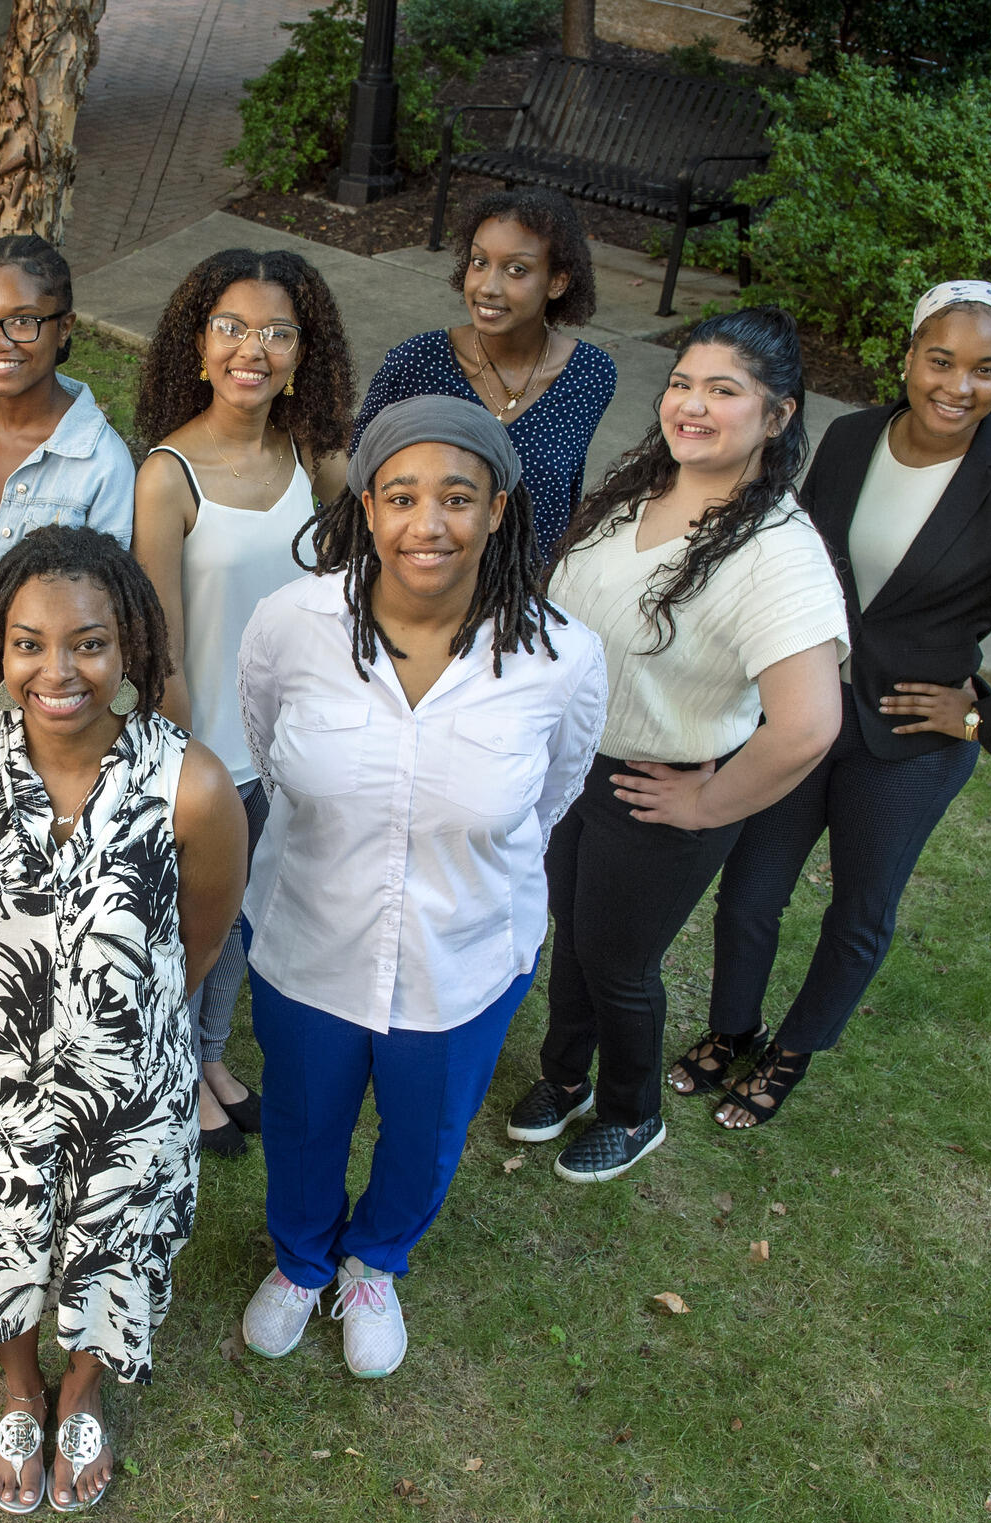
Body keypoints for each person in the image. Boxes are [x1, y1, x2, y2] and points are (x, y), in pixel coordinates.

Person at [672, 281, 991, 1126]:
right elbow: (794, 565)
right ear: (910, 355)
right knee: (749, 891)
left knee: (859, 907)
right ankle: (732, 1029)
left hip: (910, 742)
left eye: (985, 370)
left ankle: (795, 1048)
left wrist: (985, 716)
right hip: (806, 715)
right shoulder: (851, 439)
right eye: (942, 360)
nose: (958, 386)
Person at [236, 395, 605, 1377]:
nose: (426, 523)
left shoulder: (562, 657)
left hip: (465, 956)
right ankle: (302, 1260)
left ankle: (373, 1261)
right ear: (365, 506)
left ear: (497, 507)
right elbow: (270, 751)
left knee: (427, 1132)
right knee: (304, 1117)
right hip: (310, 940)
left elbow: (553, 793)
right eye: (400, 496)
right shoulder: (291, 622)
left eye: (455, 496)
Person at [0, 527, 246, 1514]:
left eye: (89, 643)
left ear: (131, 648)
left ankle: (83, 1387)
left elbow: (199, 942)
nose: (58, 669)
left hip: (124, 1082)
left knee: (114, 1236)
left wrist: (110, 1029)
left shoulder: (193, 785)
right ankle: (19, 1383)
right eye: (29, 642)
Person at [511, 306, 850, 1185]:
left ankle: (633, 1113)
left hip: (658, 785)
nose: (691, 405)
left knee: (619, 961)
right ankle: (565, 1075)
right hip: (576, 766)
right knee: (573, 933)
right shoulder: (642, 485)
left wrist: (703, 802)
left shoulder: (779, 553)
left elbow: (809, 724)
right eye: (681, 384)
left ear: (777, 416)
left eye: (723, 391)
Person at [130, 246, 354, 1159]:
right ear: (197, 344)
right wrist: (198, 763)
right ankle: (173, 1065)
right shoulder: (167, 474)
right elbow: (161, 642)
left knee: (252, 908)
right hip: (210, 744)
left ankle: (212, 1054)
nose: (250, 348)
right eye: (231, 327)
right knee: (199, 915)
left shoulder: (318, 457)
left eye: (275, 331)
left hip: (295, 740)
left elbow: (348, 585)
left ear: (304, 352)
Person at [0, 235, 137, 722]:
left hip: (43, 701)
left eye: (23, 321)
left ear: (64, 329)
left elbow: (103, 618)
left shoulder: (100, 464)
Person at [354, 187, 616, 563]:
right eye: (479, 262)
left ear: (557, 281)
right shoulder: (416, 363)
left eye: (516, 270)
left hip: (526, 596)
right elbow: (360, 481)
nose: (487, 287)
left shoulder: (590, 374)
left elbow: (563, 500)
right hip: (421, 583)